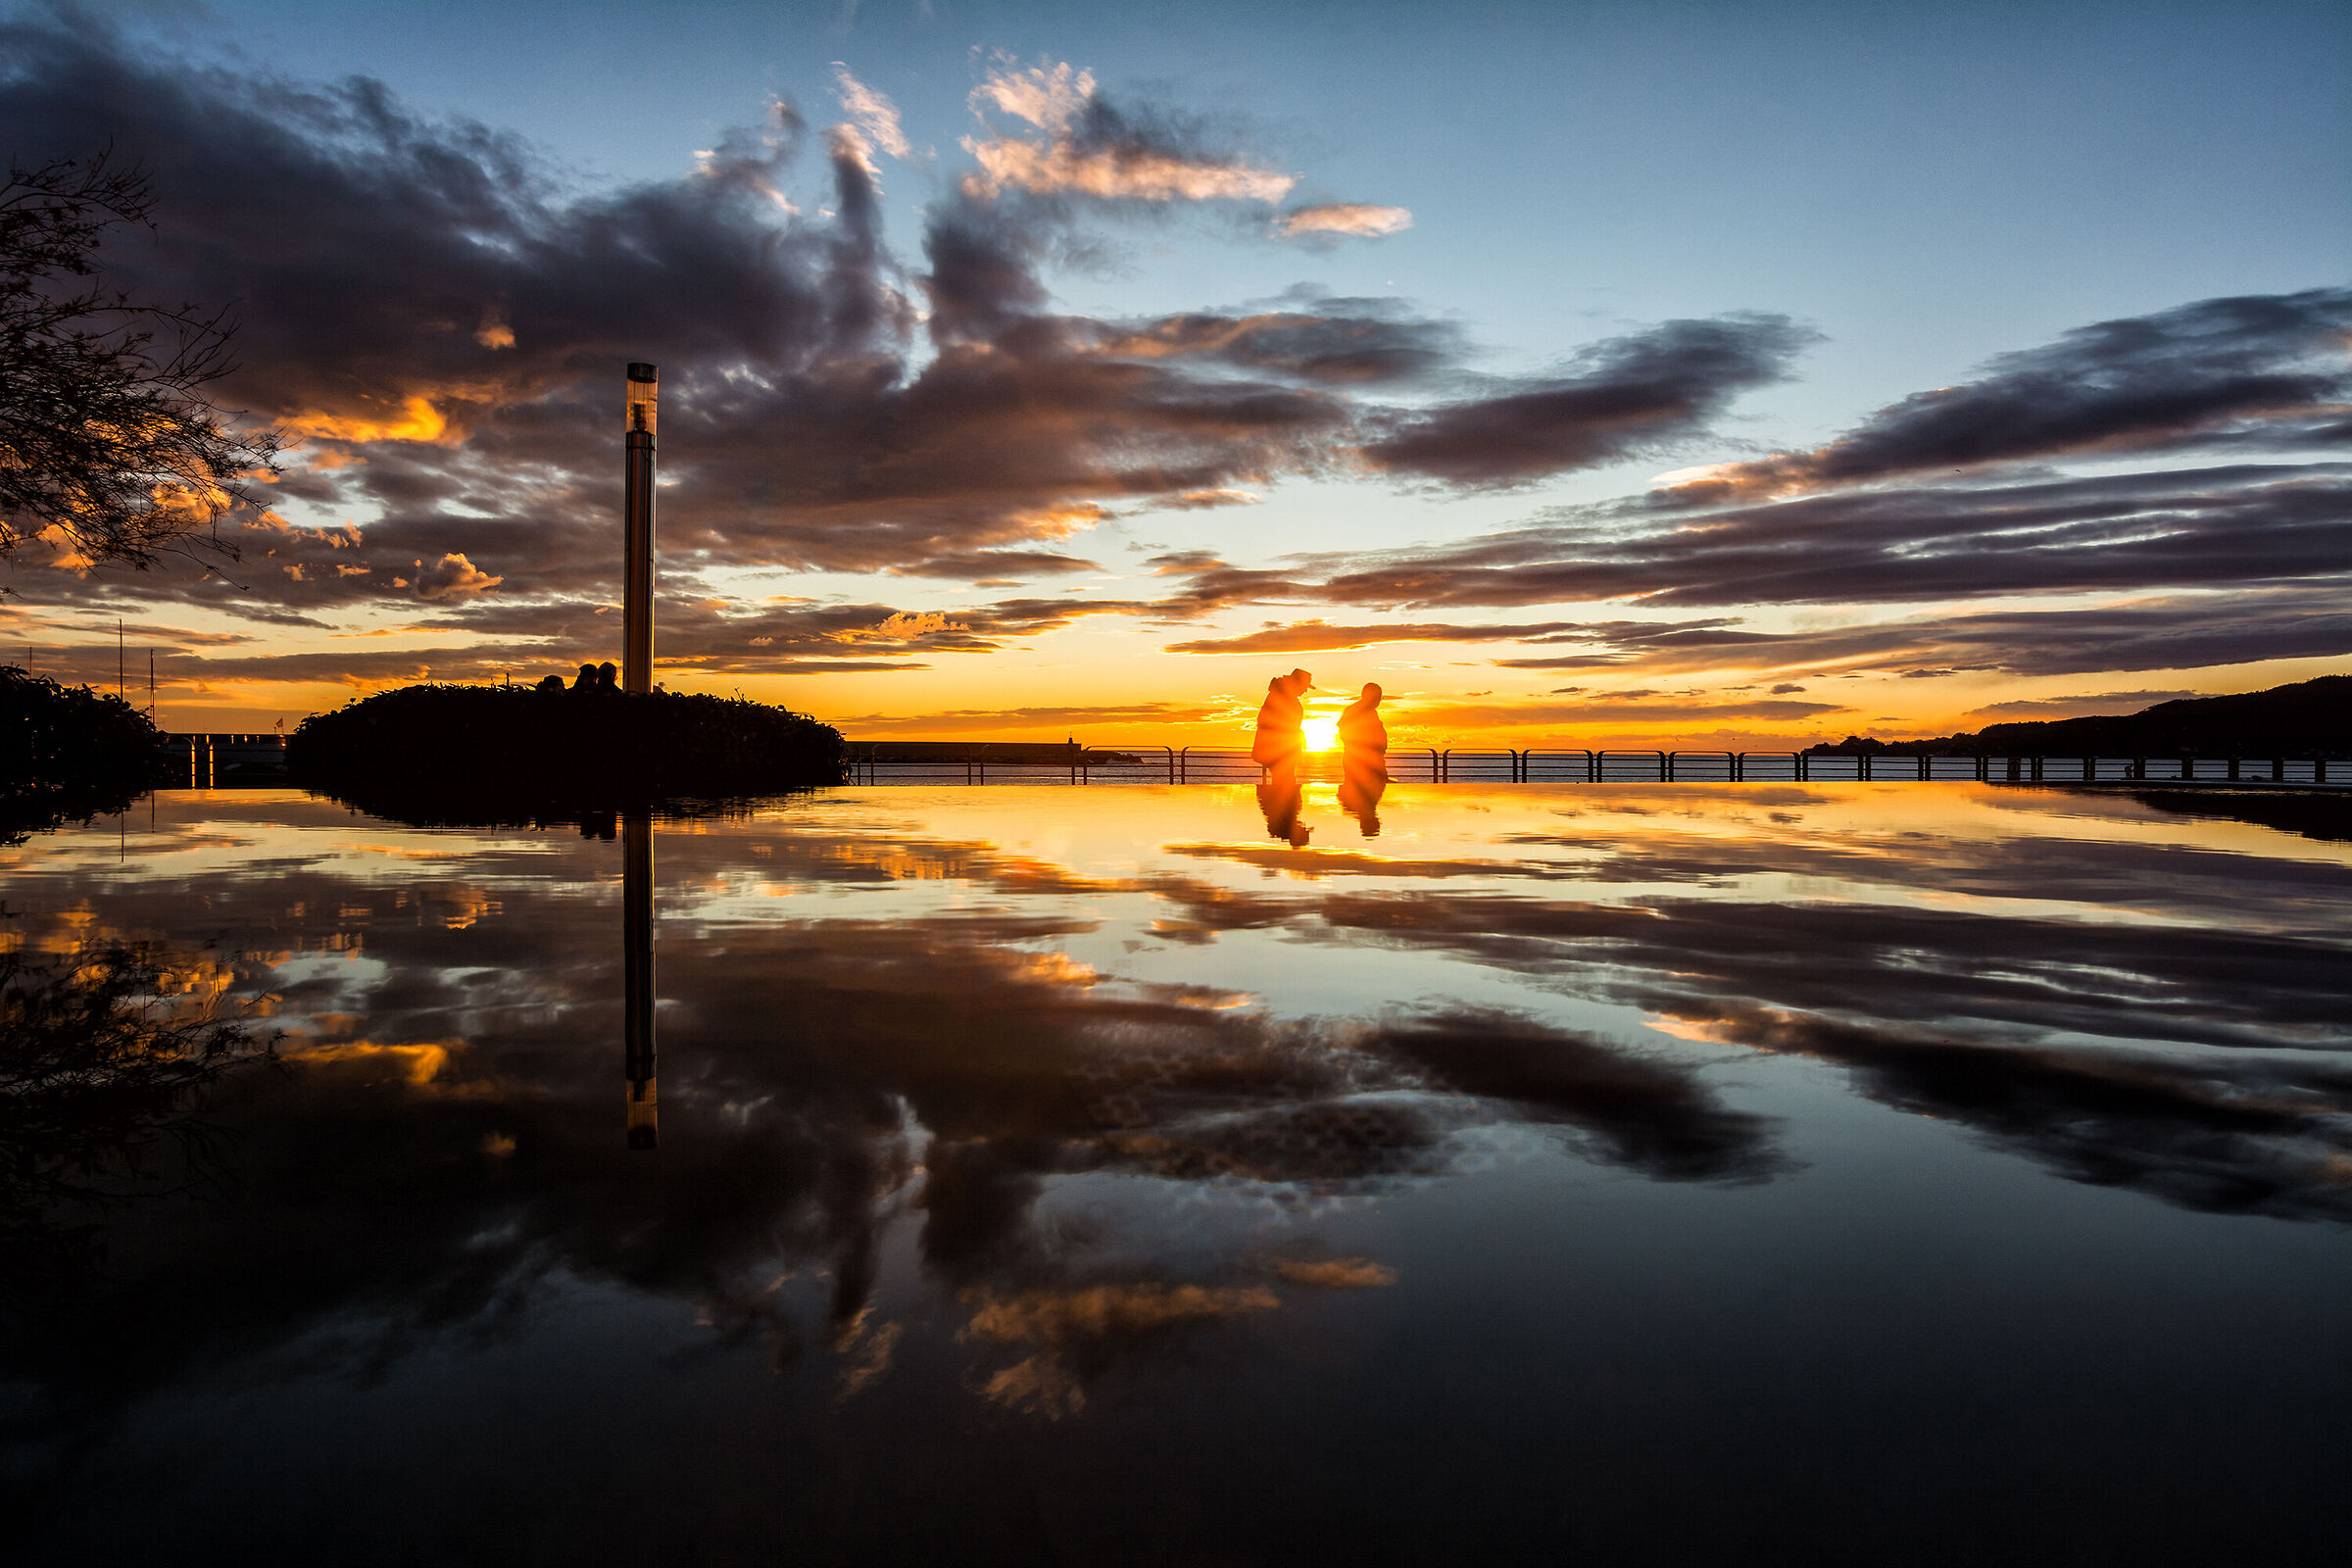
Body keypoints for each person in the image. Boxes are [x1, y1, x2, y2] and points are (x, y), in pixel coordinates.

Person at [1337, 682, 1389, 836]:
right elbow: (1346, 733)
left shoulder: (1368, 711)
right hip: (1361, 761)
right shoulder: (1356, 711)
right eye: (1378, 697)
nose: (1379, 700)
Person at [1250, 668, 1311, 771]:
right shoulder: (1281, 695)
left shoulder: (1283, 694)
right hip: (1279, 752)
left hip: (1283, 751)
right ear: (1296, 683)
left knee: (1285, 781)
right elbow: (1272, 722)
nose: (1305, 691)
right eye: (1304, 686)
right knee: (1283, 781)